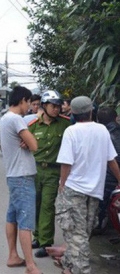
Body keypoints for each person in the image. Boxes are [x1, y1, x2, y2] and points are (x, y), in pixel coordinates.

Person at [56, 96, 120, 274]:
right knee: (84, 232)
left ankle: (81, 270)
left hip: (74, 189)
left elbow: (66, 163)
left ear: (73, 113)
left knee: (78, 235)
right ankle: (69, 266)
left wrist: (62, 185)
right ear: (91, 111)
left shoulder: (71, 131)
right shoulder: (102, 130)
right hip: (94, 191)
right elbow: (112, 160)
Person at [0, 86, 41, 274]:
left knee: (12, 216)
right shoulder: (16, 119)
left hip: (13, 174)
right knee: (26, 220)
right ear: (23, 100)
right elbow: (34, 145)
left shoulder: (4, 118)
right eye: (29, 103)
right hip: (22, 176)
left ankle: (13, 255)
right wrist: (29, 141)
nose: (30, 107)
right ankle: (31, 266)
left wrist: (24, 141)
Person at [28, 90, 70, 258]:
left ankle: (46, 243)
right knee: (35, 204)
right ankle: (37, 236)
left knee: (47, 205)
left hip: (53, 170)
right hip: (35, 169)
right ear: (44, 106)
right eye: (53, 106)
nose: (57, 109)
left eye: (59, 106)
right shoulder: (33, 125)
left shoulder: (66, 124)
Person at [94, 107, 120, 233]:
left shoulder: (100, 135)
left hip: (106, 176)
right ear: (116, 118)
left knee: (101, 205)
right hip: (114, 176)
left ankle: (99, 226)